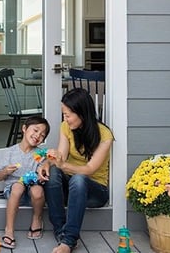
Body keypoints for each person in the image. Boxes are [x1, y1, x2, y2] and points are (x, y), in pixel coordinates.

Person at [37, 88, 114, 253]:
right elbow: (61, 156)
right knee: (54, 172)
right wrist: (47, 164)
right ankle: (61, 232)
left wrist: (63, 165)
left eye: (68, 114)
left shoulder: (104, 135)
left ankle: (69, 241)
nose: (65, 118)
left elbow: (89, 169)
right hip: (71, 188)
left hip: (95, 190)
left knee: (78, 178)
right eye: (64, 114)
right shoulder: (65, 127)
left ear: (82, 113)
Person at [0, 115, 51, 249]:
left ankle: (37, 220)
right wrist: (6, 171)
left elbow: (42, 172)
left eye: (42, 135)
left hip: (31, 193)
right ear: (24, 129)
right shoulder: (10, 152)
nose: (38, 136)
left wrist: (41, 175)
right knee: (18, 187)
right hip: (14, 192)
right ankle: (9, 230)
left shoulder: (40, 154)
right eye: (35, 130)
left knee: (38, 190)